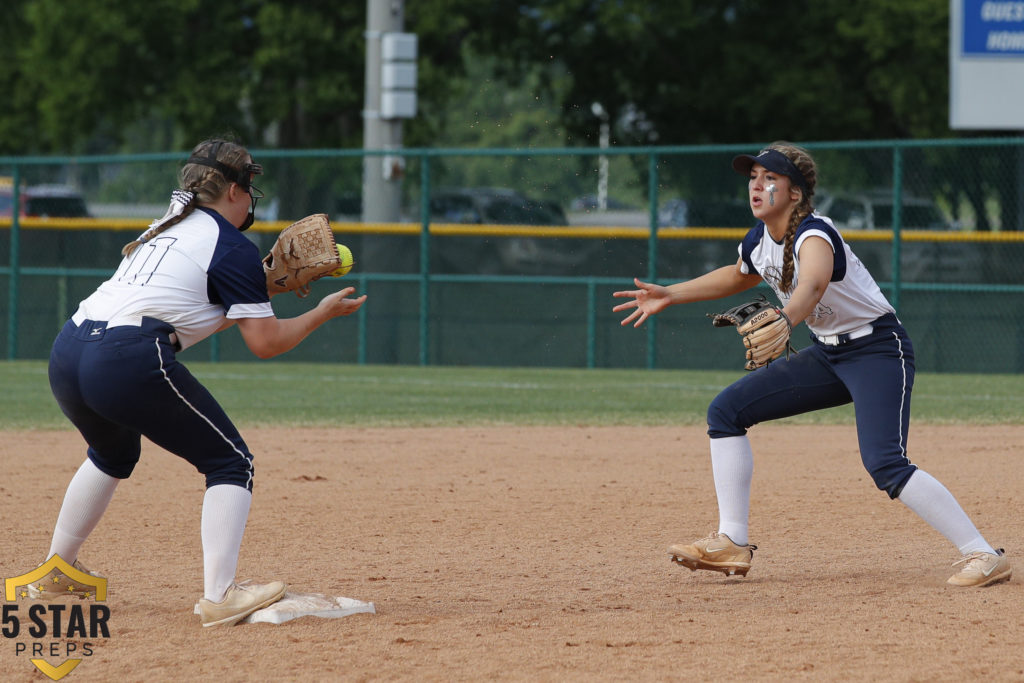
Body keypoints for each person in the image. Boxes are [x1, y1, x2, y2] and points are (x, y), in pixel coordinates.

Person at [612, 141, 1011, 588]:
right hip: (829, 354)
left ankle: (983, 554)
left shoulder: (814, 234)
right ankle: (732, 542)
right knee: (726, 413)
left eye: (770, 179)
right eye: (752, 178)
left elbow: (815, 281)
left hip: (877, 350)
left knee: (885, 462)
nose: (757, 186)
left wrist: (784, 320)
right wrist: (671, 292)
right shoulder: (760, 240)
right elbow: (738, 273)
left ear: (796, 193)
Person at [39, 137, 367, 626]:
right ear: (233, 189)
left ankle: (56, 571)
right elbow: (266, 342)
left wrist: (264, 283)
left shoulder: (163, 227)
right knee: (231, 462)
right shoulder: (230, 245)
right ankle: (221, 595)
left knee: (112, 455)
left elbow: (196, 303)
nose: (250, 198)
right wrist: (320, 313)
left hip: (69, 352)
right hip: (125, 358)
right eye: (249, 186)